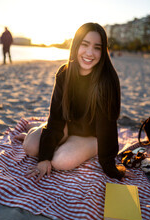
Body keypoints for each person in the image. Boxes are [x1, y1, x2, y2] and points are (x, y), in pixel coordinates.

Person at [15, 23, 135, 182]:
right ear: (76, 45)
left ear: (103, 51)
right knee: (30, 147)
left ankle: (89, 145)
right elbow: (56, 118)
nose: (90, 53)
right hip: (66, 126)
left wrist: (111, 168)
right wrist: (43, 158)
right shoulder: (64, 72)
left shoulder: (107, 80)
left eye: (97, 47)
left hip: (91, 135)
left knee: (60, 162)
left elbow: (107, 127)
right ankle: (35, 131)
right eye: (84, 45)